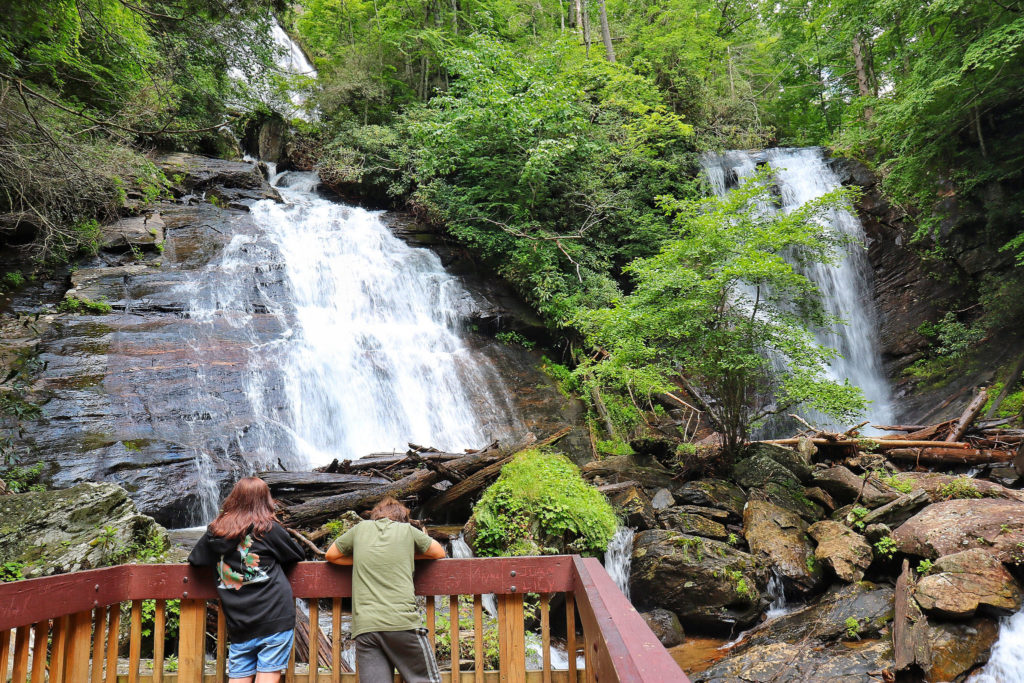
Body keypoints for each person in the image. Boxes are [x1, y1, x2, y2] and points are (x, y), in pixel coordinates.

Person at [188, 477, 305, 683]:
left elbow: (196, 560)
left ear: (234, 499)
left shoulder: (216, 531)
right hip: (275, 615)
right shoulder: (268, 529)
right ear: (265, 501)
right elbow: (296, 554)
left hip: (239, 620)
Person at [326, 496, 447, 683]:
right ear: (402, 518)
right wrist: (405, 555)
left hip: (366, 627)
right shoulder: (406, 530)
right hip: (402, 623)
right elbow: (438, 551)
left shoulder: (359, 529)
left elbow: (331, 555)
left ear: (376, 516)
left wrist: (360, 559)